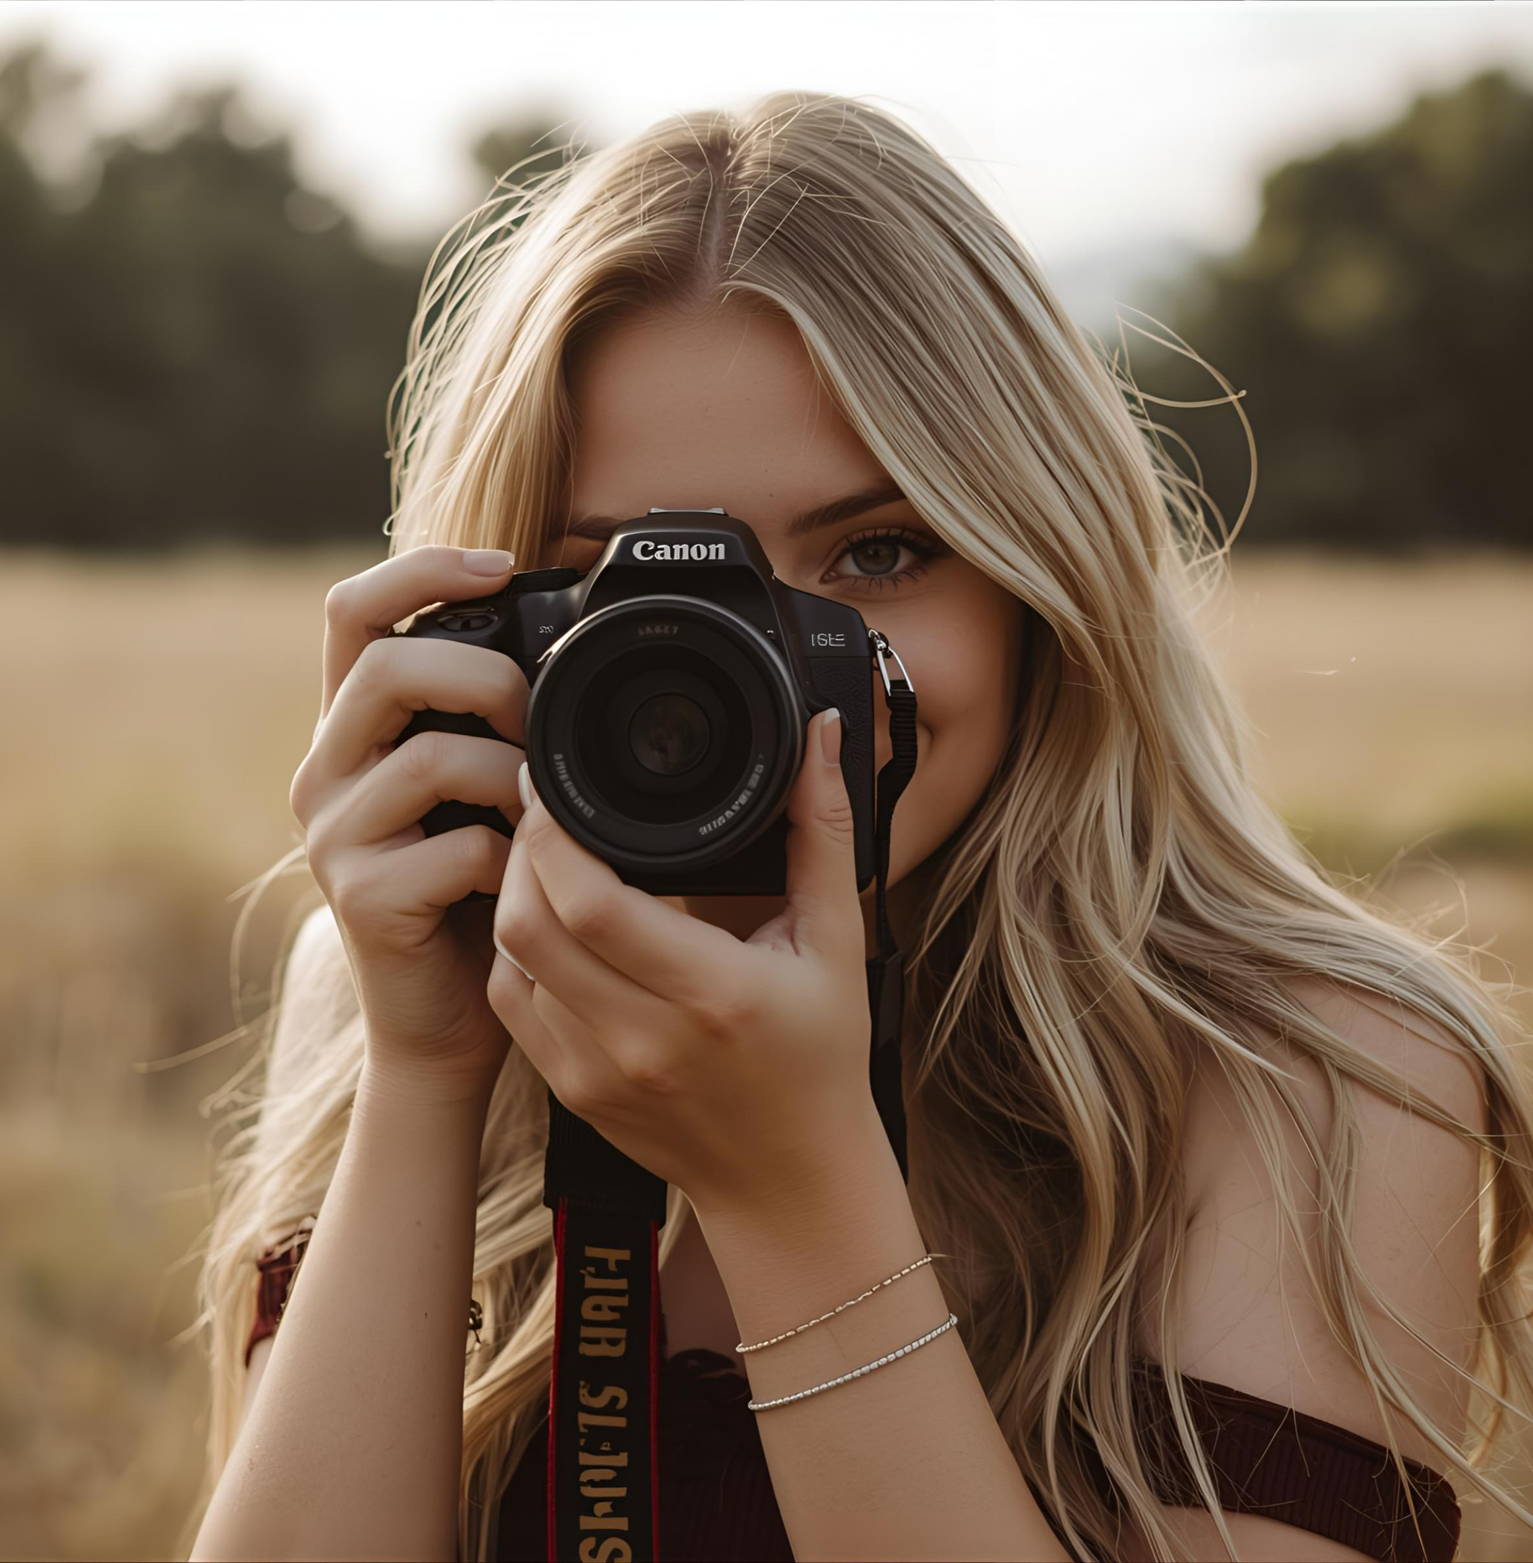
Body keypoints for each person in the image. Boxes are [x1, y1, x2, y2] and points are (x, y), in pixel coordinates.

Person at [186, 91, 1528, 1563]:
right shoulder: (382, 997)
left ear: (1043, 583)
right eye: (628, 585)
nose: (749, 673)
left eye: (877, 552)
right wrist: (428, 1074)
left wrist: (798, 1188)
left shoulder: (1316, 1073)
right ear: (485, 628)